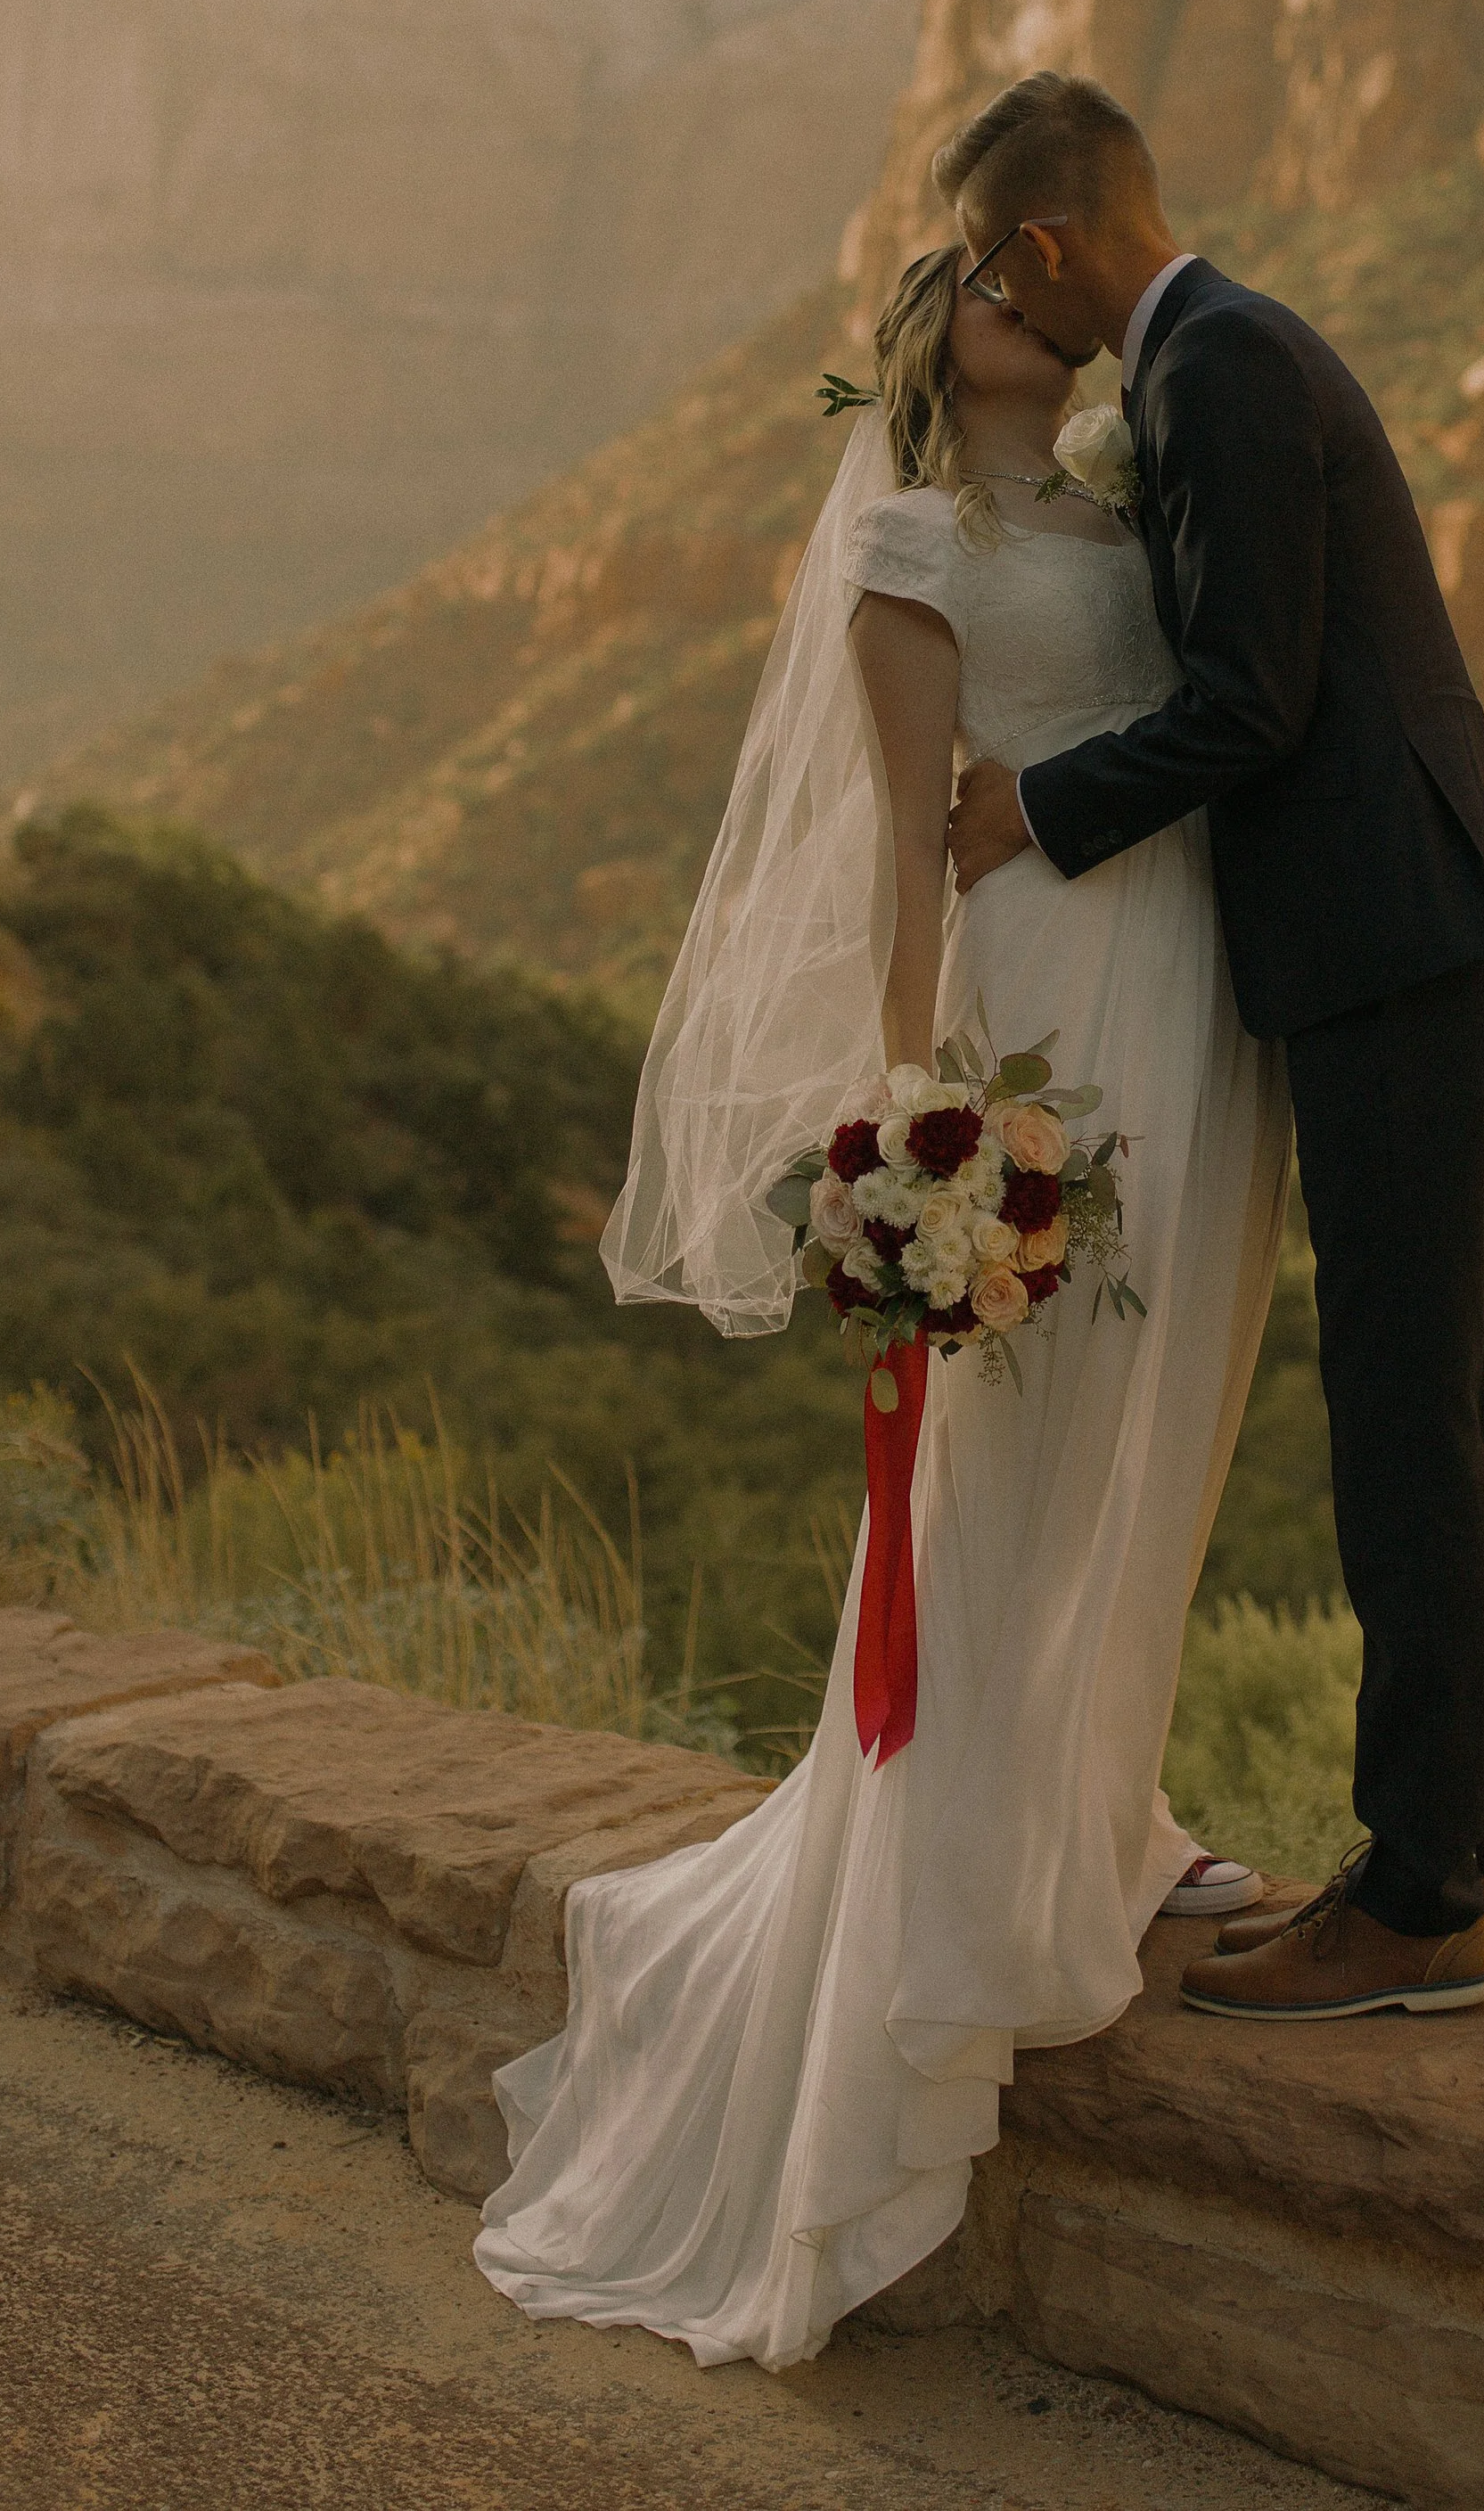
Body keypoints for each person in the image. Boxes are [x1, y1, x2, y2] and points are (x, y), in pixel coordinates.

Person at [473, 238, 1290, 2369]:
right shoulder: (906, 541)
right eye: (967, 280)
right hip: (1037, 1014)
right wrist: (918, 1113)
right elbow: (901, 848)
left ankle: (1095, 1811)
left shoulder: (1134, 499)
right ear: (925, 339)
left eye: (1032, 271)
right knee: (1010, 1438)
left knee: (1149, 1420)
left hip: (1187, 993)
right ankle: (956, 1881)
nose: (1011, 295)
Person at [942, 72, 1484, 2025]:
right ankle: (1475, 1843)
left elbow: (1250, 705)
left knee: (1404, 1419)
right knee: (1451, 1399)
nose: (987, 299)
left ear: (1038, 248)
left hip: (1381, 937)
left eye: (982, 263)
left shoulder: (1202, 371)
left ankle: (1418, 1897)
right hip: (1417, 928)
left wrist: (1027, 807)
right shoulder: (1230, 343)